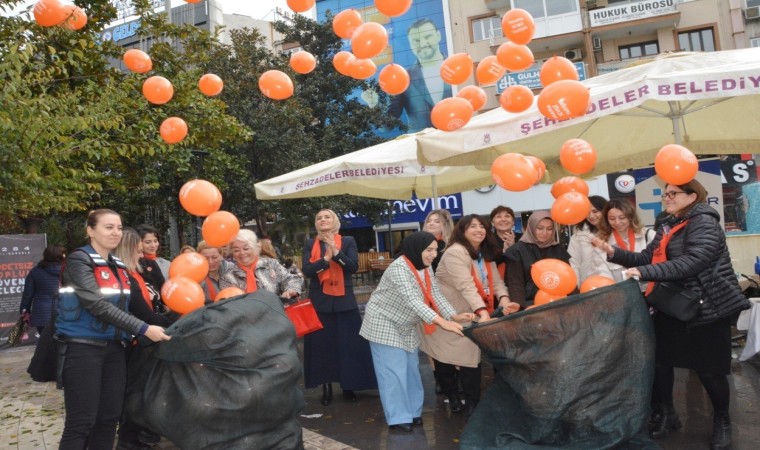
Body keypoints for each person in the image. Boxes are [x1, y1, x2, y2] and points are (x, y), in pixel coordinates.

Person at [593, 179, 749, 450]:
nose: (666, 198)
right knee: (660, 363)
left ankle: (722, 419)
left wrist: (645, 273)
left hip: (706, 307)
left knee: (709, 370)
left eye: (672, 193)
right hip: (671, 304)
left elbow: (694, 261)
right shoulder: (666, 222)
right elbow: (647, 258)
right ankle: (668, 415)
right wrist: (614, 253)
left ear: (692, 196)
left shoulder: (704, 222)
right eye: (665, 194)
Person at [55, 209, 170, 450]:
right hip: (82, 351)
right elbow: (97, 305)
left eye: (119, 227)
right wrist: (143, 328)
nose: (116, 232)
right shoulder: (79, 260)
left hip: (115, 350)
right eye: (108, 227)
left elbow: (132, 308)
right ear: (90, 230)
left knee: (108, 419)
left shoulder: (119, 265)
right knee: (81, 422)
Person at [360, 231, 476, 432]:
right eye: (429, 250)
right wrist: (442, 322)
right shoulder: (399, 268)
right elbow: (412, 300)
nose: (433, 254)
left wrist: (453, 315)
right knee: (393, 372)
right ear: (416, 248)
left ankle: (413, 413)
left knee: (411, 369)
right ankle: (397, 418)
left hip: (406, 323)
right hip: (384, 323)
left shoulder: (424, 266)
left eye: (435, 250)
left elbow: (434, 293)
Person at [420, 214, 520, 418]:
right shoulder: (455, 252)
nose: (479, 230)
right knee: (444, 360)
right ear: (462, 230)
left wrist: (503, 299)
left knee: (471, 359)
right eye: (472, 226)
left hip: (472, 313)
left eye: (482, 226)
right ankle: (453, 396)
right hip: (448, 313)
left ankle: (472, 402)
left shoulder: (484, 252)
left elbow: (497, 282)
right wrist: (483, 312)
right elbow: (466, 285)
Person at [302, 209, 377, 405]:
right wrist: (325, 259)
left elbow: (352, 267)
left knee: (349, 346)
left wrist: (335, 252)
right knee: (322, 347)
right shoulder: (311, 244)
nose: (323, 220)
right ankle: (326, 386)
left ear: (334, 221)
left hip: (344, 301)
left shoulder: (348, 241)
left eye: (327, 217)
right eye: (319, 217)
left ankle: (349, 385)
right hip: (320, 301)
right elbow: (308, 271)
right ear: (316, 223)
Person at [113, 228, 174, 450]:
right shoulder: (125, 276)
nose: (142, 255)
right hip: (132, 340)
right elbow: (142, 312)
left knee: (141, 390)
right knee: (134, 392)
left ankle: (138, 435)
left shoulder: (135, 272)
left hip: (143, 338)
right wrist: (175, 325)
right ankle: (129, 440)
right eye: (138, 251)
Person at [362, 18, 451, 132]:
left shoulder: (457, 68)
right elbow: (387, 126)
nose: (423, 44)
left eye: (428, 37)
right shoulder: (403, 77)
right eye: (416, 41)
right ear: (410, 44)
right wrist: (374, 105)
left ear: (438, 36)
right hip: (422, 147)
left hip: (463, 143)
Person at [504, 211, 572, 308]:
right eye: (539, 228)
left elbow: (567, 277)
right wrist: (519, 305)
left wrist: (574, 301)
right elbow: (515, 282)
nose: (544, 233)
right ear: (531, 227)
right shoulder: (517, 250)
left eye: (549, 229)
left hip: (558, 303)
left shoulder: (558, 249)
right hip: (529, 305)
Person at [595, 199, 656, 289]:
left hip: (650, 291)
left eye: (622, 218)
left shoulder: (648, 235)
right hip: (621, 294)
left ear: (630, 216)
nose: (617, 222)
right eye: (612, 219)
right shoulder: (603, 242)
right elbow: (602, 273)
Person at [229, 229, 302, 298]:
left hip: (276, 309)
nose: (242, 253)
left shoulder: (270, 264)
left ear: (255, 247)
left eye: (246, 248)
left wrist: (291, 290)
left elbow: (290, 279)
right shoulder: (229, 276)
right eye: (236, 250)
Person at [21, 245, 66, 334]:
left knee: (45, 343)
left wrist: (24, 310)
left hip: (41, 313)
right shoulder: (68, 271)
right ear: (61, 256)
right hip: (64, 312)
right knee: (62, 343)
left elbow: (27, 294)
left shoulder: (35, 271)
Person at [568, 195, 608, 285]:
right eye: (587, 212)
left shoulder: (614, 232)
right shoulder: (578, 236)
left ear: (605, 211)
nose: (591, 216)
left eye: (595, 211)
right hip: (588, 286)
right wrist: (577, 287)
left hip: (615, 285)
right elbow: (574, 264)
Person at [490, 205, 521, 281]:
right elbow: (488, 265)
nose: (503, 219)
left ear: (513, 221)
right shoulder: (487, 241)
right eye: (498, 216)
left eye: (507, 216)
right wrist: (504, 252)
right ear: (493, 223)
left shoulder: (523, 239)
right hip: (496, 284)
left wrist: (514, 248)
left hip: (520, 282)